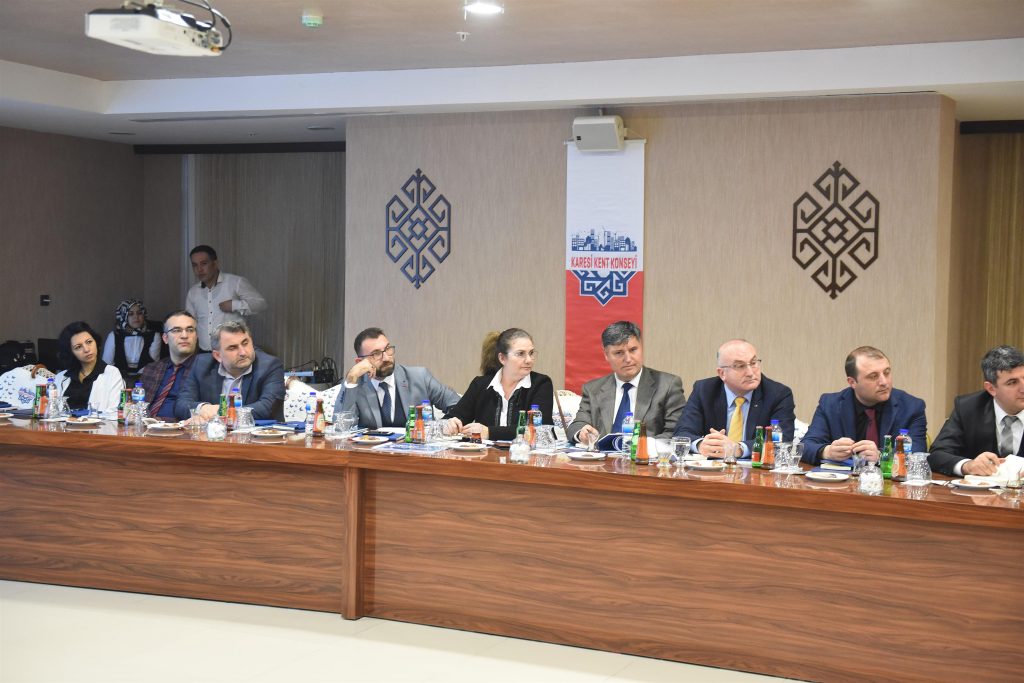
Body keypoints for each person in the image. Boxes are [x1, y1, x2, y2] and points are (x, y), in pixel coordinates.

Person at [801, 346, 927, 465]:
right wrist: (827, 452)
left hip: (889, 480)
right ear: (852, 382)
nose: (884, 382)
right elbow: (806, 446)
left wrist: (881, 456)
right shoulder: (830, 404)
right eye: (873, 376)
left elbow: (918, 453)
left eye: (887, 373)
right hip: (843, 479)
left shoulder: (912, 407)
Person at [567, 321, 685, 444]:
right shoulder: (593, 389)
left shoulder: (668, 385)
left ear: (641, 348)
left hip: (646, 455)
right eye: (619, 353)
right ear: (606, 355)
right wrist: (581, 433)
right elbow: (577, 425)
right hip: (603, 455)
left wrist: (638, 445)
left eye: (633, 350)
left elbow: (676, 432)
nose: (628, 359)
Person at [673, 339, 795, 457]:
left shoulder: (778, 394)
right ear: (722, 373)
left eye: (753, 363)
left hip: (755, 469)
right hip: (712, 467)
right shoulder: (704, 390)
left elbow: (782, 440)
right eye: (740, 366)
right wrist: (701, 445)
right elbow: (682, 432)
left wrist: (740, 449)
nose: (750, 372)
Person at [333, 327, 460, 429]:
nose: (386, 358)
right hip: (372, 452)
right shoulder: (355, 385)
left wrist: (443, 425)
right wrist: (351, 378)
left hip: (416, 450)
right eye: (376, 354)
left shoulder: (419, 377)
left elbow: (457, 405)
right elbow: (341, 428)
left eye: (387, 349)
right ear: (360, 362)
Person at [929, 345, 1024, 477]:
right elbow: (937, 454)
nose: (1023, 388)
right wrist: (967, 466)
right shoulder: (968, 408)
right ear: (991, 389)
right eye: (1012, 383)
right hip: (982, 489)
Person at [444, 328, 553, 441]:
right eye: (521, 354)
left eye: (531, 353)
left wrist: (489, 432)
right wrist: (450, 424)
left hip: (523, 451)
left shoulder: (541, 384)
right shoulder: (480, 385)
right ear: (502, 358)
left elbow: (540, 430)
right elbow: (450, 419)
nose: (529, 360)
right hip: (483, 452)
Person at [174, 320, 284, 421]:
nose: (243, 352)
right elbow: (181, 404)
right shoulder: (201, 364)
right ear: (218, 356)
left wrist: (223, 413)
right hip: (212, 434)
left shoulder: (269, 365)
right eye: (233, 348)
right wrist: (202, 408)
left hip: (258, 434)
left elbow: (268, 407)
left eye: (245, 343)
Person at [185, 245, 267, 352]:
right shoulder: (193, 292)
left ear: (215, 264)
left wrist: (234, 305)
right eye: (195, 265)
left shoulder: (236, 282)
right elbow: (190, 323)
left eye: (204, 263)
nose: (199, 269)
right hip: (204, 352)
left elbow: (261, 304)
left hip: (234, 351)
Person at [138, 311, 200, 421]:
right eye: (177, 330)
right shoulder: (151, 369)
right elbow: (137, 406)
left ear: (196, 336)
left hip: (182, 428)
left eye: (190, 330)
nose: (184, 336)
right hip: (145, 426)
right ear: (165, 338)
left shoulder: (205, 371)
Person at [53, 321, 125, 412]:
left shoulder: (112, 373)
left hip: (98, 421)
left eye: (89, 342)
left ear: (96, 342)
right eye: (78, 347)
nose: (86, 349)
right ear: (71, 352)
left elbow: (115, 411)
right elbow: (52, 411)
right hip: (64, 421)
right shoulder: (61, 377)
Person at [102, 299, 162, 380]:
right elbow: (107, 365)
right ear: (124, 316)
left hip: (145, 379)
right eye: (130, 314)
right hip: (118, 380)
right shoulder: (114, 336)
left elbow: (153, 365)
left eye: (139, 313)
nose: (136, 317)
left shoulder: (154, 335)